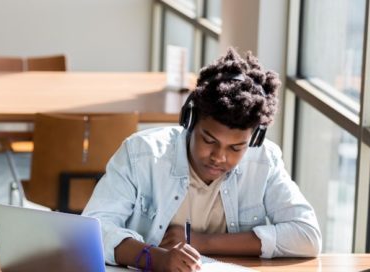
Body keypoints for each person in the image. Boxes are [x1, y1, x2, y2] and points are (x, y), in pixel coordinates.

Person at [82, 48, 321, 272]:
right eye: (209, 140)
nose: (219, 157)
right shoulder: (141, 154)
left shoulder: (264, 161)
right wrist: (155, 258)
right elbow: (93, 231)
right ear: (190, 120)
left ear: (255, 139)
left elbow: (307, 235)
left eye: (236, 147)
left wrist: (201, 242)